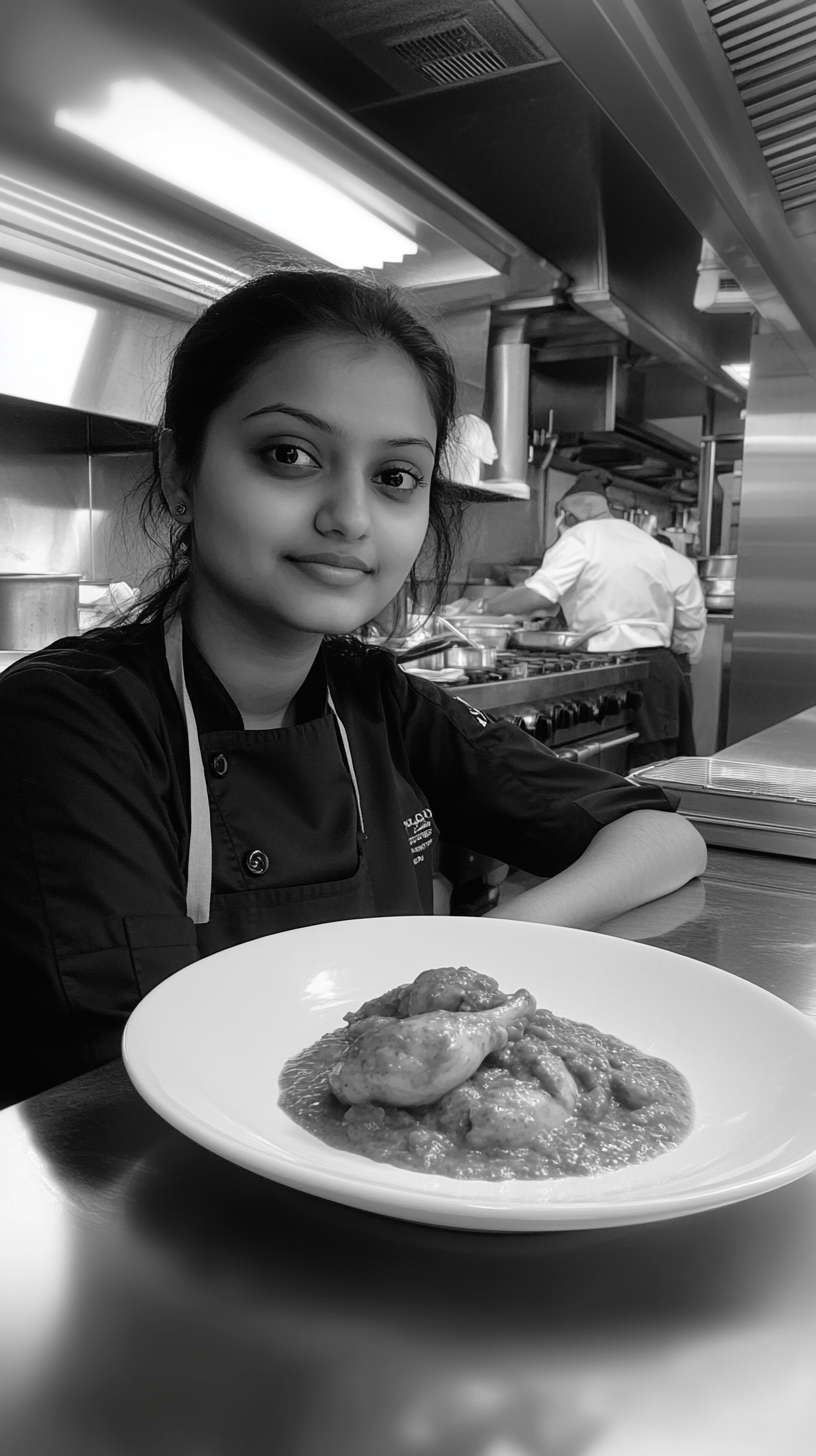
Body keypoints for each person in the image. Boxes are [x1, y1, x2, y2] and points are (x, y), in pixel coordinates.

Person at [0, 271, 705, 1105]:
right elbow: (140, 1079)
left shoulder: (375, 698)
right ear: (181, 468)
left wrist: (469, 1001)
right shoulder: (64, 725)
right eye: (289, 456)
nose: (351, 516)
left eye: (395, 476)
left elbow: (662, 840)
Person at [482, 472, 706, 765]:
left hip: (615, 671)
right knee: (657, 772)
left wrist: (486, 607)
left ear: (566, 514)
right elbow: (690, 621)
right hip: (660, 670)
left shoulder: (582, 536)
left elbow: (539, 594)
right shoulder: (647, 542)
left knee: (618, 777)